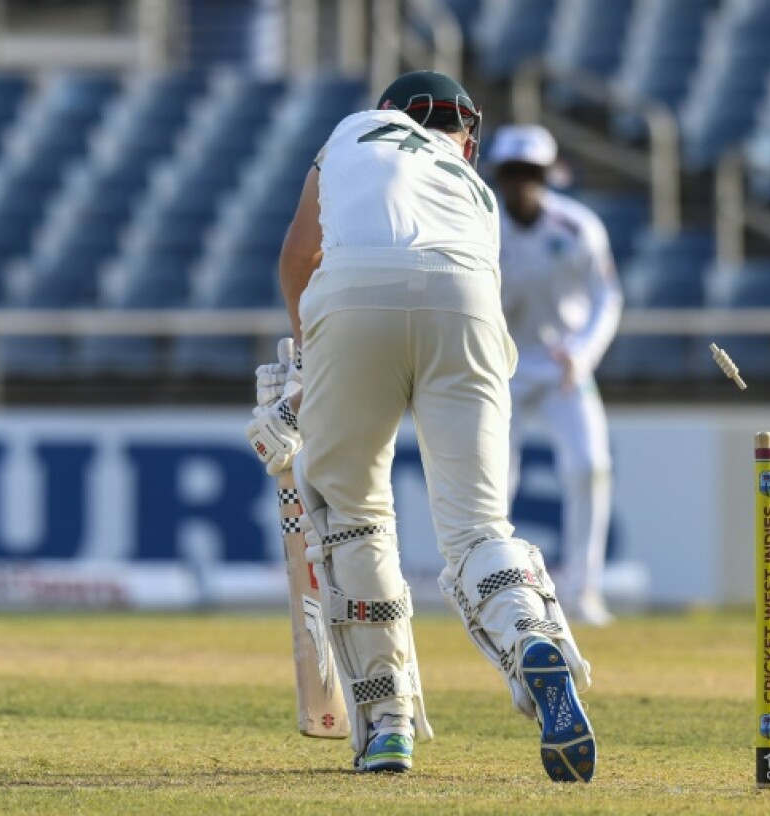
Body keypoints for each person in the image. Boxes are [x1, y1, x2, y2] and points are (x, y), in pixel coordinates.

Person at [244, 71, 596, 782]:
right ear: (462, 133)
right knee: (476, 529)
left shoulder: (349, 133)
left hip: (352, 295)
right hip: (465, 301)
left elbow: (296, 257)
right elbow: (460, 292)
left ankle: (387, 723)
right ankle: (531, 638)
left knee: (352, 516)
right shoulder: (476, 189)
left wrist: (311, 360)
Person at [487, 125, 623, 627]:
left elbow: (607, 296)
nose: (523, 183)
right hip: (501, 368)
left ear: (548, 175)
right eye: (514, 173)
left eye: (532, 173)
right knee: (495, 481)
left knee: (590, 465)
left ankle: (582, 590)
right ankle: (492, 590)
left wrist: (585, 352)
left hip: (564, 367)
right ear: (499, 176)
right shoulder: (480, 225)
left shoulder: (576, 226)